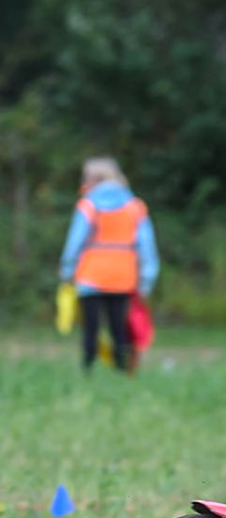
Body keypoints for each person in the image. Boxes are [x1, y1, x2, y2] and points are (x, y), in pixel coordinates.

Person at [59, 158, 159, 374]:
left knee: (90, 328)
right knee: (119, 327)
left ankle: (88, 370)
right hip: (123, 276)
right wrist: (147, 280)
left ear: (96, 179)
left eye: (86, 177)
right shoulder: (136, 206)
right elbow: (147, 247)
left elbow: (74, 242)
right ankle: (122, 370)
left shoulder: (88, 205)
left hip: (91, 275)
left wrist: (67, 270)